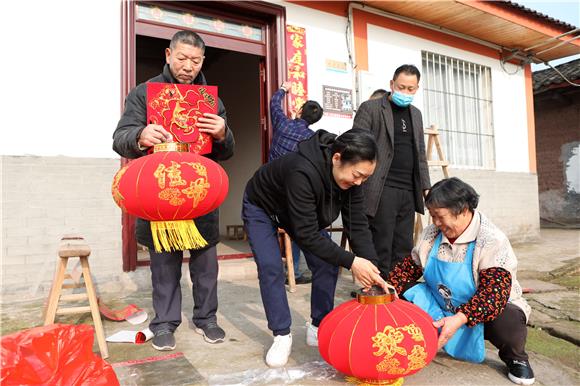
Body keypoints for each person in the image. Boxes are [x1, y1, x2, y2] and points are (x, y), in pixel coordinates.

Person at [112, 30, 235, 351]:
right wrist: (140, 133)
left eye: (195, 60)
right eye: (181, 58)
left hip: (198, 193)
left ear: (202, 61)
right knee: (164, 264)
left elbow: (225, 153)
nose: (188, 66)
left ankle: (207, 318)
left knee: (206, 264)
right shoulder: (143, 94)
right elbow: (120, 137)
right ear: (168, 55)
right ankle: (165, 322)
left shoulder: (212, 100)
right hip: (161, 195)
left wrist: (223, 133)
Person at [242, 128, 388, 368]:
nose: (359, 182)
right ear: (337, 158)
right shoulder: (302, 170)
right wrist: (352, 262)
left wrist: (372, 269)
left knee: (328, 262)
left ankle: (319, 325)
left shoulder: (354, 179)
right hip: (263, 207)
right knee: (270, 268)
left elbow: (358, 224)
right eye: (357, 175)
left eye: (365, 177)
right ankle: (281, 335)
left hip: (298, 215)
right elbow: (307, 234)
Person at [387, 177, 535, 385]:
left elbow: (494, 294)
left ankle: (516, 358)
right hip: (441, 304)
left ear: (464, 210)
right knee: (400, 293)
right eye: (432, 216)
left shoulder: (491, 239)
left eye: (440, 216)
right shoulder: (432, 233)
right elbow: (410, 268)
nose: (436, 223)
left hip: (481, 311)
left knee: (508, 317)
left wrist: (459, 318)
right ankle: (419, 340)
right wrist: (386, 288)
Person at [352, 64, 431, 278]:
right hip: (381, 187)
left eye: (411, 89)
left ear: (417, 88)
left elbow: (420, 153)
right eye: (401, 87)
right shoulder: (372, 108)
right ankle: (378, 289)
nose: (405, 92)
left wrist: (426, 187)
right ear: (392, 84)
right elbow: (357, 144)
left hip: (408, 190)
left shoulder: (416, 114)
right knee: (382, 242)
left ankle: (398, 291)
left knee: (404, 245)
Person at [269, 80, 324, 285]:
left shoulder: (283, 124)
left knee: (269, 230)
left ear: (300, 110)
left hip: (270, 189)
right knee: (297, 229)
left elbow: (274, 104)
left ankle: (276, 271)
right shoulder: (313, 139)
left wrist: (284, 89)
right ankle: (295, 273)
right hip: (293, 193)